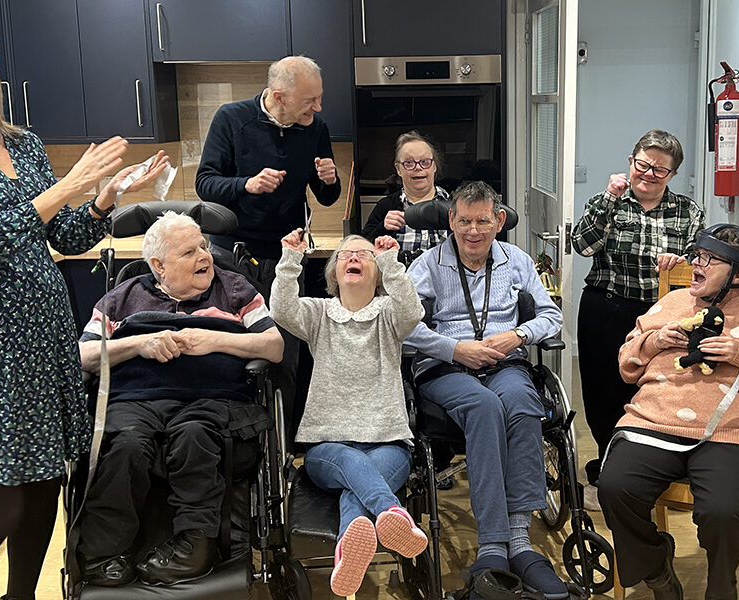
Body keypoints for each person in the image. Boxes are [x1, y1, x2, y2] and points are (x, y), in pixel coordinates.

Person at [0, 9, 170, 600]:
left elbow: (64, 235)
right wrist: (68, 185)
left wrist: (103, 198)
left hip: (43, 332)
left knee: (46, 485)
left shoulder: (22, 142)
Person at [598, 224, 739, 600]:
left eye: (710, 260)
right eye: (697, 255)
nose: (696, 264)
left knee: (724, 509)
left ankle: (721, 587)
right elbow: (626, 364)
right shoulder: (673, 302)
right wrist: (654, 340)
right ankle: (655, 566)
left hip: (738, 431)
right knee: (614, 488)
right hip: (655, 421)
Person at [74, 212, 283, 586]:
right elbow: (82, 356)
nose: (205, 256)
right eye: (189, 252)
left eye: (204, 246)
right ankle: (104, 553)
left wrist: (214, 340)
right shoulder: (121, 298)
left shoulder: (235, 289)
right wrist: (140, 343)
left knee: (193, 436)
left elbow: (274, 346)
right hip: (136, 400)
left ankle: (195, 546)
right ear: (158, 266)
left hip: (212, 399)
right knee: (125, 445)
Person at [405, 181, 569, 600]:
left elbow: (552, 316)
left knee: (522, 404)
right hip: (446, 365)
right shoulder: (426, 264)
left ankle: (520, 540)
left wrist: (518, 334)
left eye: (482, 221)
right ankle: (493, 544)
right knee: (484, 406)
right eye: (464, 221)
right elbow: (402, 326)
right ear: (451, 220)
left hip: (504, 361)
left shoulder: (517, 260)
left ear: (498, 220)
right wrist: (455, 348)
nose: (473, 231)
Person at [271, 229, 427, 596]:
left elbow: (412, 311)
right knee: (353, 465)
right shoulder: (318, 314)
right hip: (327, 447)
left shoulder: (389, 314)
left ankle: (350, 547)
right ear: (333, 273)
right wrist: (290, 258)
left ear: (378, 273)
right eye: (345, 254)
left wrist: (391, 262)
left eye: (364, 254)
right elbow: (281, 309)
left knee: (358, 484)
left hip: (388, 442)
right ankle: (391, 512)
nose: (354, 257)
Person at [571, 129, 705, 509]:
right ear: (631, 162)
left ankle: (647, 474)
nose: (649, 174)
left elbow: (701, 263)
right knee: (603, 394)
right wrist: (609, 199)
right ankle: (608, 471)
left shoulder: (688, 212)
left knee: (653, 393)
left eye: (660, 170)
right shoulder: (609, 201)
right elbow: (582, 245)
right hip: (606, 309)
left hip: (662, 315)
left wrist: (682, 262)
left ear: (672, 175)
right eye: (643, 165)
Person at [195, 55, 340, 295]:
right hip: (232, 254)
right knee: (231, 320)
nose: (318, 107)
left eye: (319, 97)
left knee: (288, 320)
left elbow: (327, 197)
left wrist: (330, 180)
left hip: (288, 254)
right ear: (279, 97)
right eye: (309, 101)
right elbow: (205, 184)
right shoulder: (231, 118)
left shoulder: (315, 127)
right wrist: (247, 184)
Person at [362, 130, 450, 256]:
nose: (418, 167)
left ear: (434, 166)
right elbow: (364, 248)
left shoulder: (454, 204)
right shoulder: (385, 206)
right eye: (409, 163)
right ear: (398, 169)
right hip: (398, 269)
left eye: (425, 162)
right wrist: (383, 228)